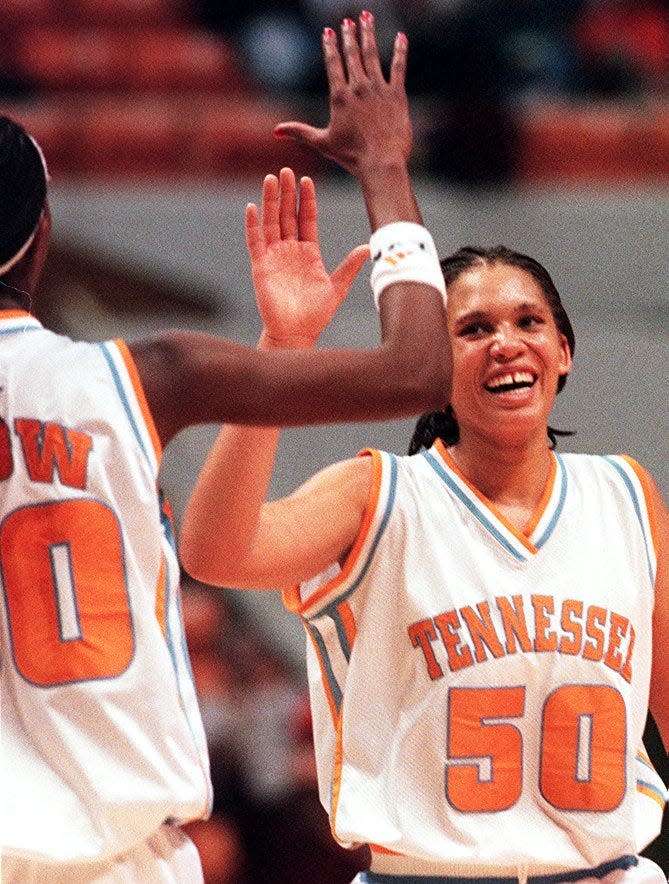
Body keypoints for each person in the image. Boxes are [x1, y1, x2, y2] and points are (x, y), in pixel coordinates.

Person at [179, 15, 669, 884]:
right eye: (471, 329)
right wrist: (279, 352)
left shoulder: (624, 495)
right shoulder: (377, 497)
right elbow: (215, 550)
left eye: (527, 322)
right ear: (435, 368)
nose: (505, 343)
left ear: (564, 352)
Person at [0, 15, 450, 881]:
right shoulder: (148, 373)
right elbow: (417, 370)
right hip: (115, 863)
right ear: (43, 233)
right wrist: (386, 171)